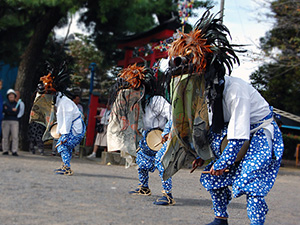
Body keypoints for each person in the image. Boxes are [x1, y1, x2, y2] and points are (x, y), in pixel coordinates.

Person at [164, 10, 284, 225]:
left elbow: (239, 133)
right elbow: (206, 128)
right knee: (212, 177)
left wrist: (225, 161)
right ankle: (221, 219)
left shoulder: (235, 90)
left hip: (258, 133)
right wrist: (203, 154)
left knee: (252, 183)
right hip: (227, 134)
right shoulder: (204, 94)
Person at [107, 64, 175, 205]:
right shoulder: (137, 104)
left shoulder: (157, 101)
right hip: (147, 139)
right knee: (142, 163)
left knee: (163, 164)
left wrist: (168, 132)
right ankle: (144, 187)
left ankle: (168, 195)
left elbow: (173, 115)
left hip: (161, 138)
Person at [30, 62, 86, 175]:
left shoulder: (64, 103)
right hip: (71, 128)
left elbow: (67, 119)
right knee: (65, 147)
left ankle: (67, 168)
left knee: (62, 145)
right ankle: (65, 165)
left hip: (75, 129)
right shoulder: (59, 101)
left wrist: (63, 134)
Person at [2, 89, 20, 156]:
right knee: (5, 136)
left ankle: (14, 150)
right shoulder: (5, 103)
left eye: (12, 96)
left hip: (14, 121)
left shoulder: (17, 104)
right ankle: (5, 150)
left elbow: (17, 112)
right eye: (10, 96)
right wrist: (12, 110)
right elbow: (4, 110)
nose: (11, 97)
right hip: (6, 120)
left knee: (15, 136)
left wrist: (9, 111)